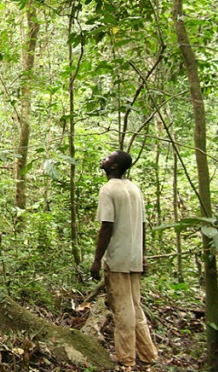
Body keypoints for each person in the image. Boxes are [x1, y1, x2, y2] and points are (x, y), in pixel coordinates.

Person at [90, 150, 158, 369]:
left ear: (114, 167)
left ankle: (126, 359)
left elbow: (107, 226)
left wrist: (97, 259)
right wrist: (142, 254)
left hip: (118, 258)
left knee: (123, 310)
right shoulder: (134, 188)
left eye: (108, 158)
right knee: (135, 307)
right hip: (133, 257)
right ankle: (148, 355)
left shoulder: (108, 189)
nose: (104, 158)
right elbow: (142, 226)